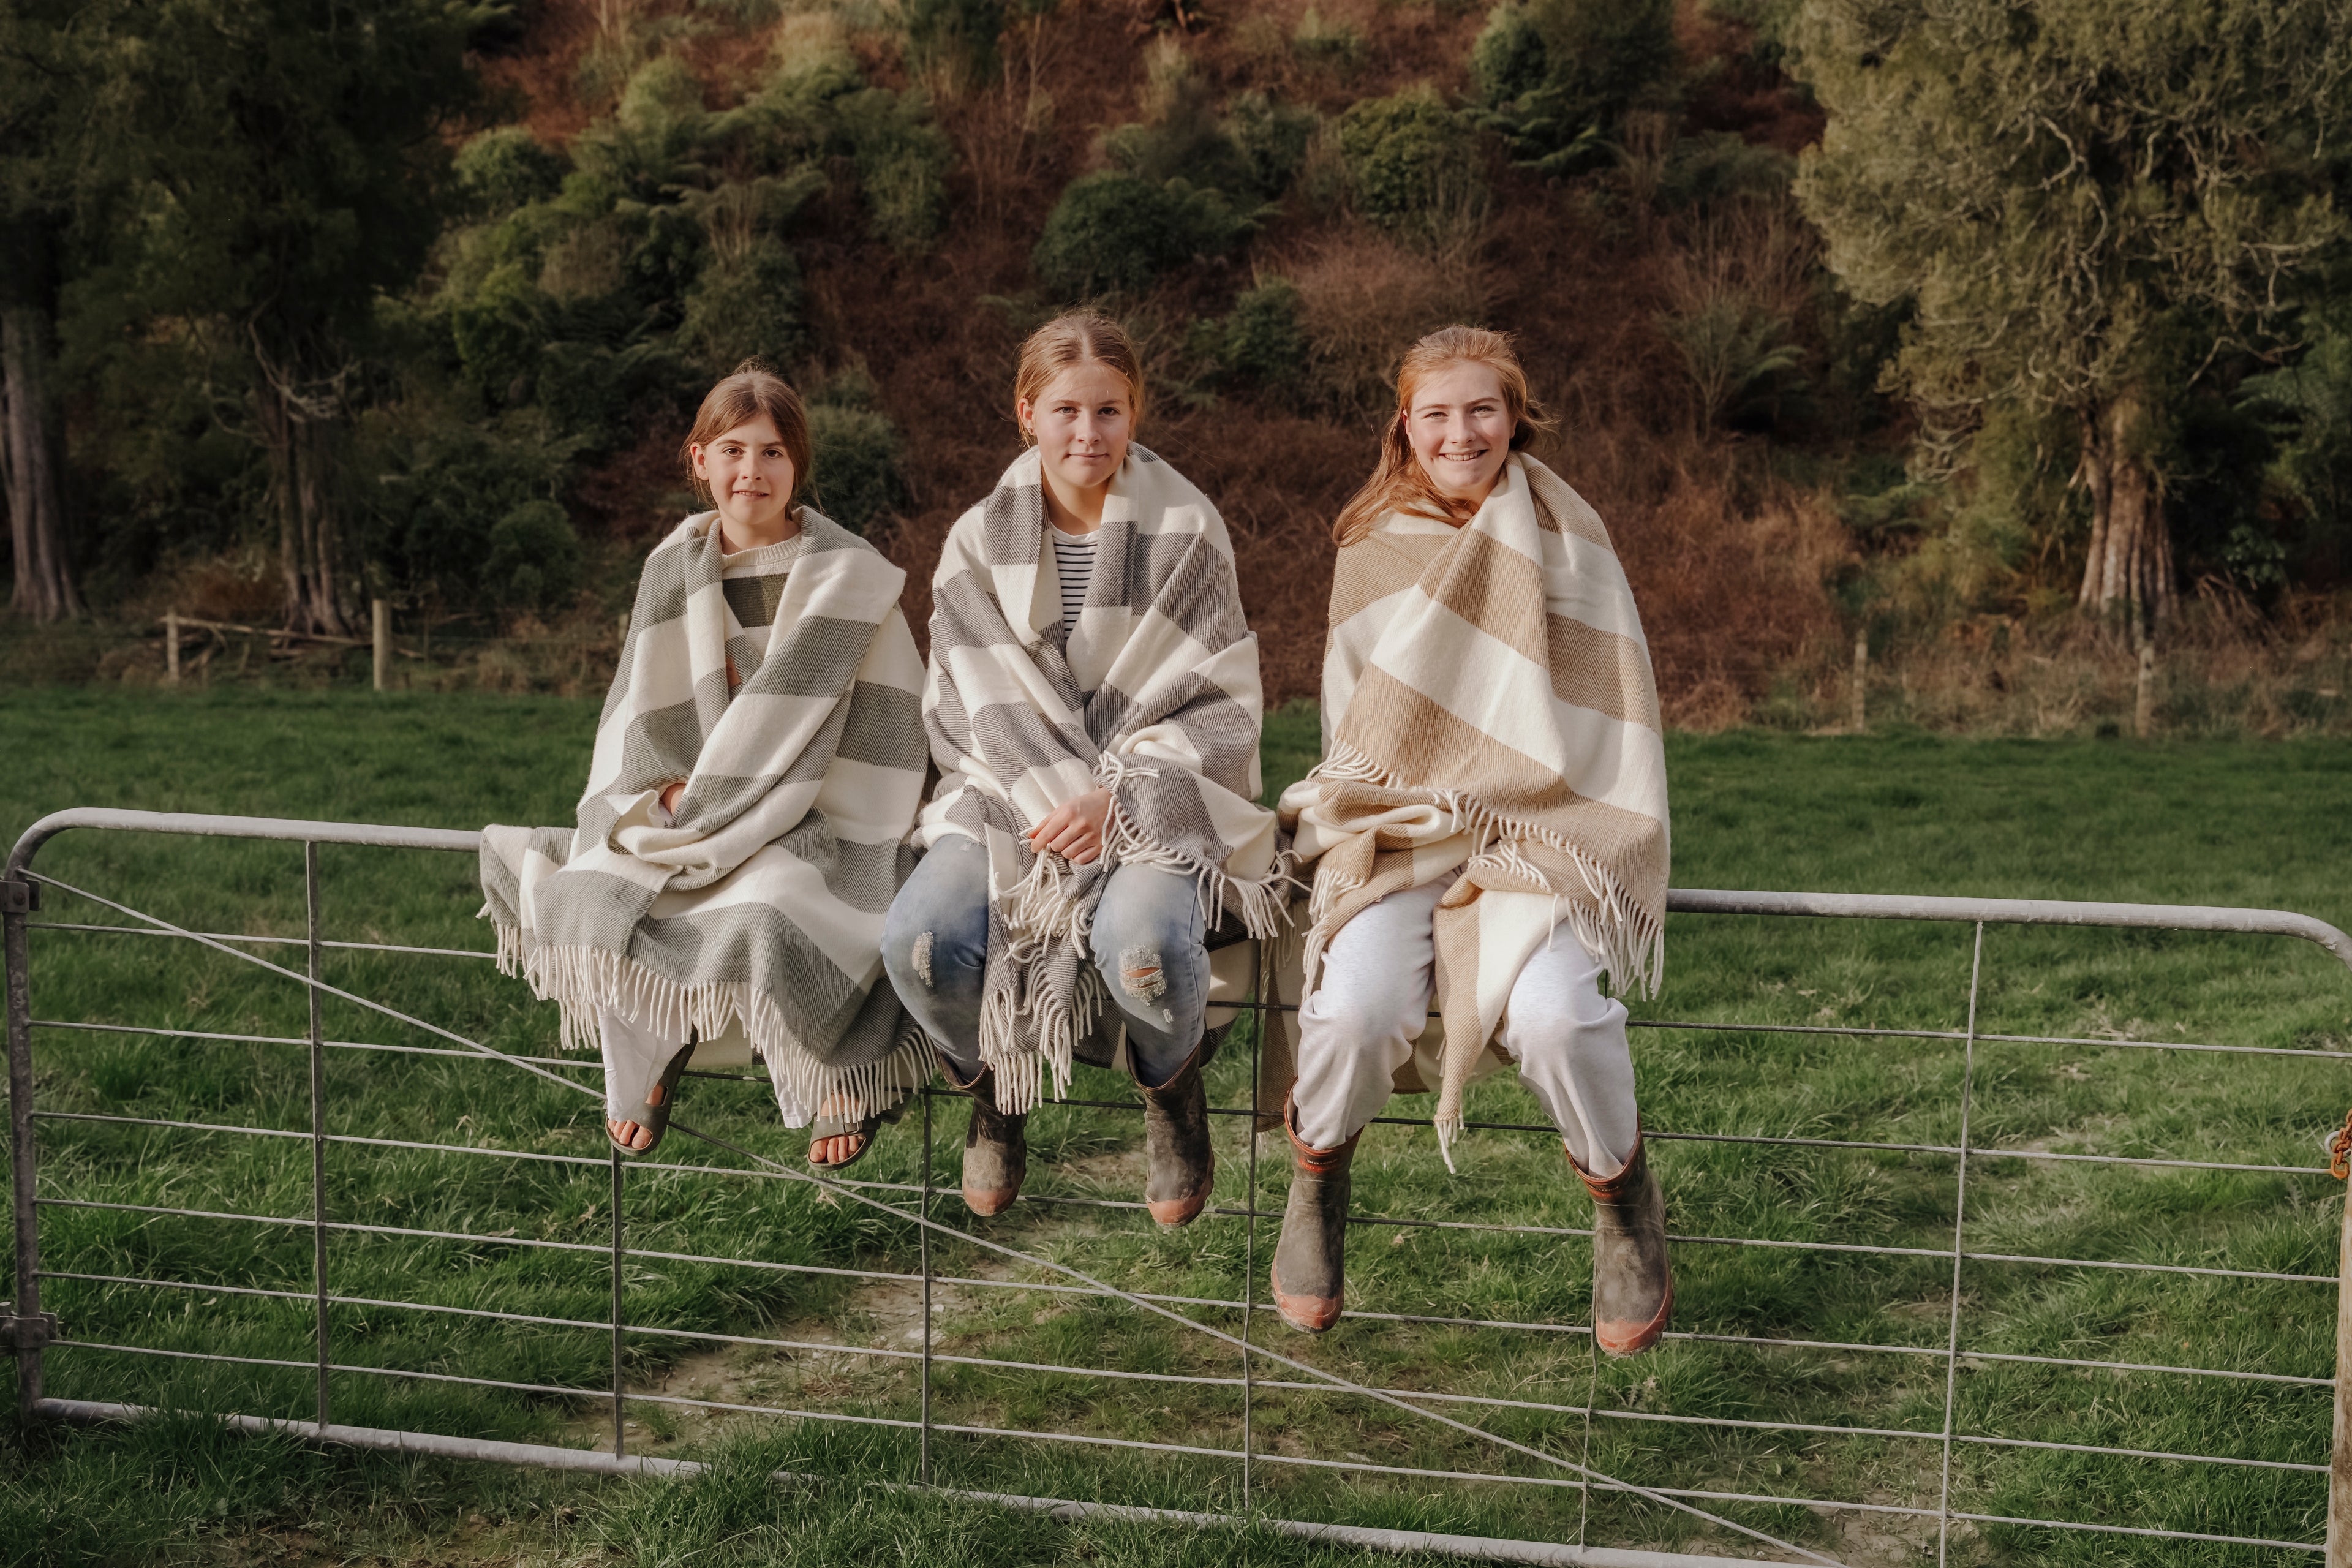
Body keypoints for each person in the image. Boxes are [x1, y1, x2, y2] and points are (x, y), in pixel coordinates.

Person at [1268, 326, 1673, 1352]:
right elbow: (1358, 727)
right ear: (1405, 421)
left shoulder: (1569, 533)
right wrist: (1425, 803)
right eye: (1438, 413)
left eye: (1482, 408)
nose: (1463, 431)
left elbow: (1604, 700)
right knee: (1357, 1011)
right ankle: (1318, 1180)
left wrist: (1520, 802)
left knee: (1558, 1021)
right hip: (1400, 827)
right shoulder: (1371, 543)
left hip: (1544, 825)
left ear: (1515, 413)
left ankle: (1622, 1199)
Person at [883, 311, 1291, 1224]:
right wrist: (1054, 788)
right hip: (1005, 793)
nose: (1088, 433)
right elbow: (964, 702)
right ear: (1026, 412)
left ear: (1135, 412)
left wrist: (1119, 798)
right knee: (917, 945)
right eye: (1066, 410)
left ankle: (1169, 1094)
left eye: (1109, 411)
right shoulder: (977, 539)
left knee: (1143, 948)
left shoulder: (1188, 530)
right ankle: (997, 1089)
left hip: (1154, 794)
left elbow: (1220, 700)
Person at [480, 360, 930, 1172]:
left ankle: (843, 1070)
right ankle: (654, 1047)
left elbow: (890, 727)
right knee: (598, 891)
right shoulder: (672, 571)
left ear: (797, 466)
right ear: (700, 461)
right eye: (731, 451)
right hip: (693, 807)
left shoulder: (847, 579)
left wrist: (769, 799)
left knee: (775, 907)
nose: (749, 472)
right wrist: (668, 793)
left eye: (770, 454)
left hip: (815, 812)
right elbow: (642, 712)